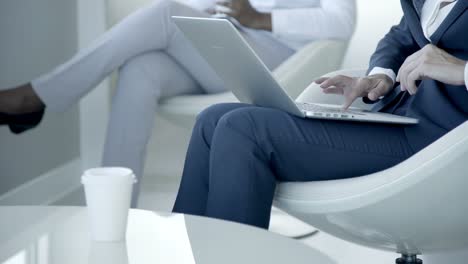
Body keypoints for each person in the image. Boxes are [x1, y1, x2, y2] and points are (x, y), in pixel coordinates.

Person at [0, 0, 356, 207]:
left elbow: (341, 21)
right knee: (140, 70)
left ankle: (37, 96)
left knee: (162, 13)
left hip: (284, 62)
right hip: (225, 45)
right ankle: (115, 215)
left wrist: (260, 18)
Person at [172, 0, 468, 229]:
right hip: (399, 115)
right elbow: (401, 36)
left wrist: (460, 70)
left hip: (442, 141)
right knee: (211, 120)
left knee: (242, 128)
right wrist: (380, 76)